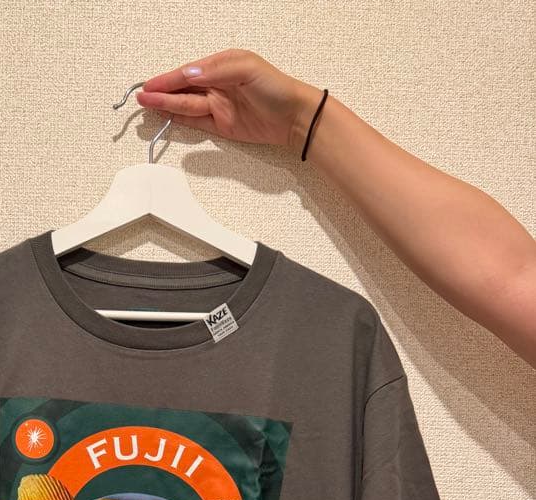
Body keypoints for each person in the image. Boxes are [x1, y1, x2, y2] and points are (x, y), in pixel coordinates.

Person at [136, 49, 536, 368]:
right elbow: (510, 277)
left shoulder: (341, 336)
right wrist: (301, 121)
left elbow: (511, 279)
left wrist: (302, 121)